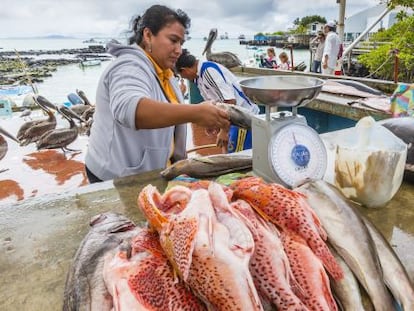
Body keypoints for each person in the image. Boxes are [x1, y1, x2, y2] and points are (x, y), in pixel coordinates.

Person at [84, 5, 230, 183]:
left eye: (181, 43)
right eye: (173, 40)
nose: (179, 50)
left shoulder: (166, 74)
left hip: (155, 173)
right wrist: (196, 113)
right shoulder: (129, 65)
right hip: (115, 179)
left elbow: (171, 112)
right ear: (147, 35)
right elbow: (130, 109)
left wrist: (201, 113)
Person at [175, 49, 260, 154]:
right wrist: (214, 124)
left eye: (181, 75)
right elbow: (216, 103)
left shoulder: (209, 71)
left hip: (242, 120)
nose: (183, 78)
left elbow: (230, 101)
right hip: (232, 120)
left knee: (238, 155)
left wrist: (224, 131)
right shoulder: (199, 77)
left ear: (185, 70)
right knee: (229, 152)